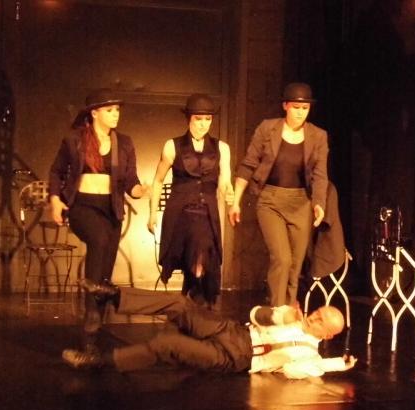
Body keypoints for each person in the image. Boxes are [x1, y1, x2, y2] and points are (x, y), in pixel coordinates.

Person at [62, 289, 356, 378]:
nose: (314, 317)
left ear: (327, 336)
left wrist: (336, 364)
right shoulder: (291, 316)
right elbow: (254, 313)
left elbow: (293, 371)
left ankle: (99, 361)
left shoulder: (310, 355)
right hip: (233, 330)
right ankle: (114, 296)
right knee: (180, 304)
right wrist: (278, 315)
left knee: (166, 344)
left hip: (235, 357)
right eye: (317, 312)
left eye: (320, 321)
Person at [49, 88, 147, 334]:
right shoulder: (74, 139)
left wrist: (139, 190)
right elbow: (56, 171)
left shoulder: (124, 143)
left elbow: (131, 180)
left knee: (106, 265)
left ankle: (96, 322)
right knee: (99, 239)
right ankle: (91, 310)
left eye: (117, 110)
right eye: (109, 110)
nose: (116, 114)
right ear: (94, 113)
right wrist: (55, 200)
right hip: (82, 206)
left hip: (111, 209)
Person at [229, 82, 330, 307]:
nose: (300, 113)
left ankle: (288, 309)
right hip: (270, 201)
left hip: (301, 203)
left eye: (305, 108)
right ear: (285, 106)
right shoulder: (268, 129)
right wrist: (235, 202)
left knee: (295, 263)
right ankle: (277, 310)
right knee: (282, 259)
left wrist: (319, 204)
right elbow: (248, 164)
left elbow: (320, 175)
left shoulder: (318, 136)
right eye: (296, 107)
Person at [147, 94, 234, 308]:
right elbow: (158, 180)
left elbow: (225, 180)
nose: (203, 124)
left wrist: (229, 192)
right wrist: (152, 214)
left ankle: (195, 297)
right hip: (181, 213)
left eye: (208, 119)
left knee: (204, 251)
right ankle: (195, 297)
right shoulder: (173, 146)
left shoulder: (221, 148)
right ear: (189, 119)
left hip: (207, 213)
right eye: (198, 119)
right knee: (195, 251)